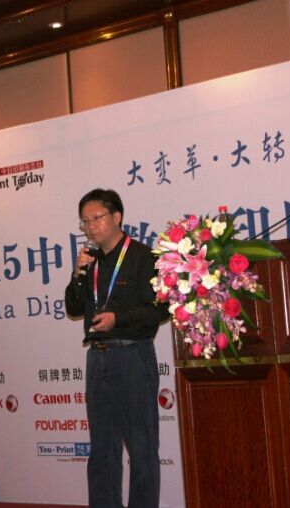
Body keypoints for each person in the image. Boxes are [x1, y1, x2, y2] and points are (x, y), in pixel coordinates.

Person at [64, 188, 168, 508]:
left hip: (131, 356)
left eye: (96, 218)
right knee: (102, 449)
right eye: (84, 221)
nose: (90, 226)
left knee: (141, 448)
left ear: (117, 217)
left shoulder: (142, 257)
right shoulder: (91, 261)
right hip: (97, 359)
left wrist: (118, 319)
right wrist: (77, 274)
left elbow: (160, 308)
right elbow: (73, 308)